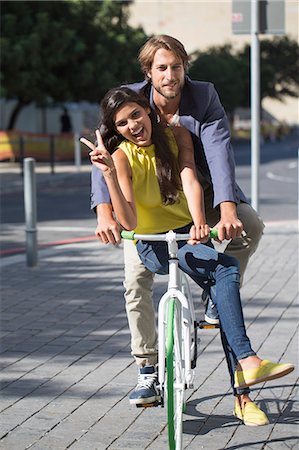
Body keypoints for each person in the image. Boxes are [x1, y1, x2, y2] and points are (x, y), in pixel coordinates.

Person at [81, 86, 294, 424]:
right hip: (149, 241)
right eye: (122, 123)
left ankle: (247, 367)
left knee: (225, 276)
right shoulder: (120, 155)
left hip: (184, 234)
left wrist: (198, 224)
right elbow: (131, 221)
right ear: (115, 129)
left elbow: (190, 179)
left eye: (137, 115)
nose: (133, 125)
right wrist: (107, 174)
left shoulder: (177, 134)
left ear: (147, 111)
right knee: (136, 287)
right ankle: (148, 370)